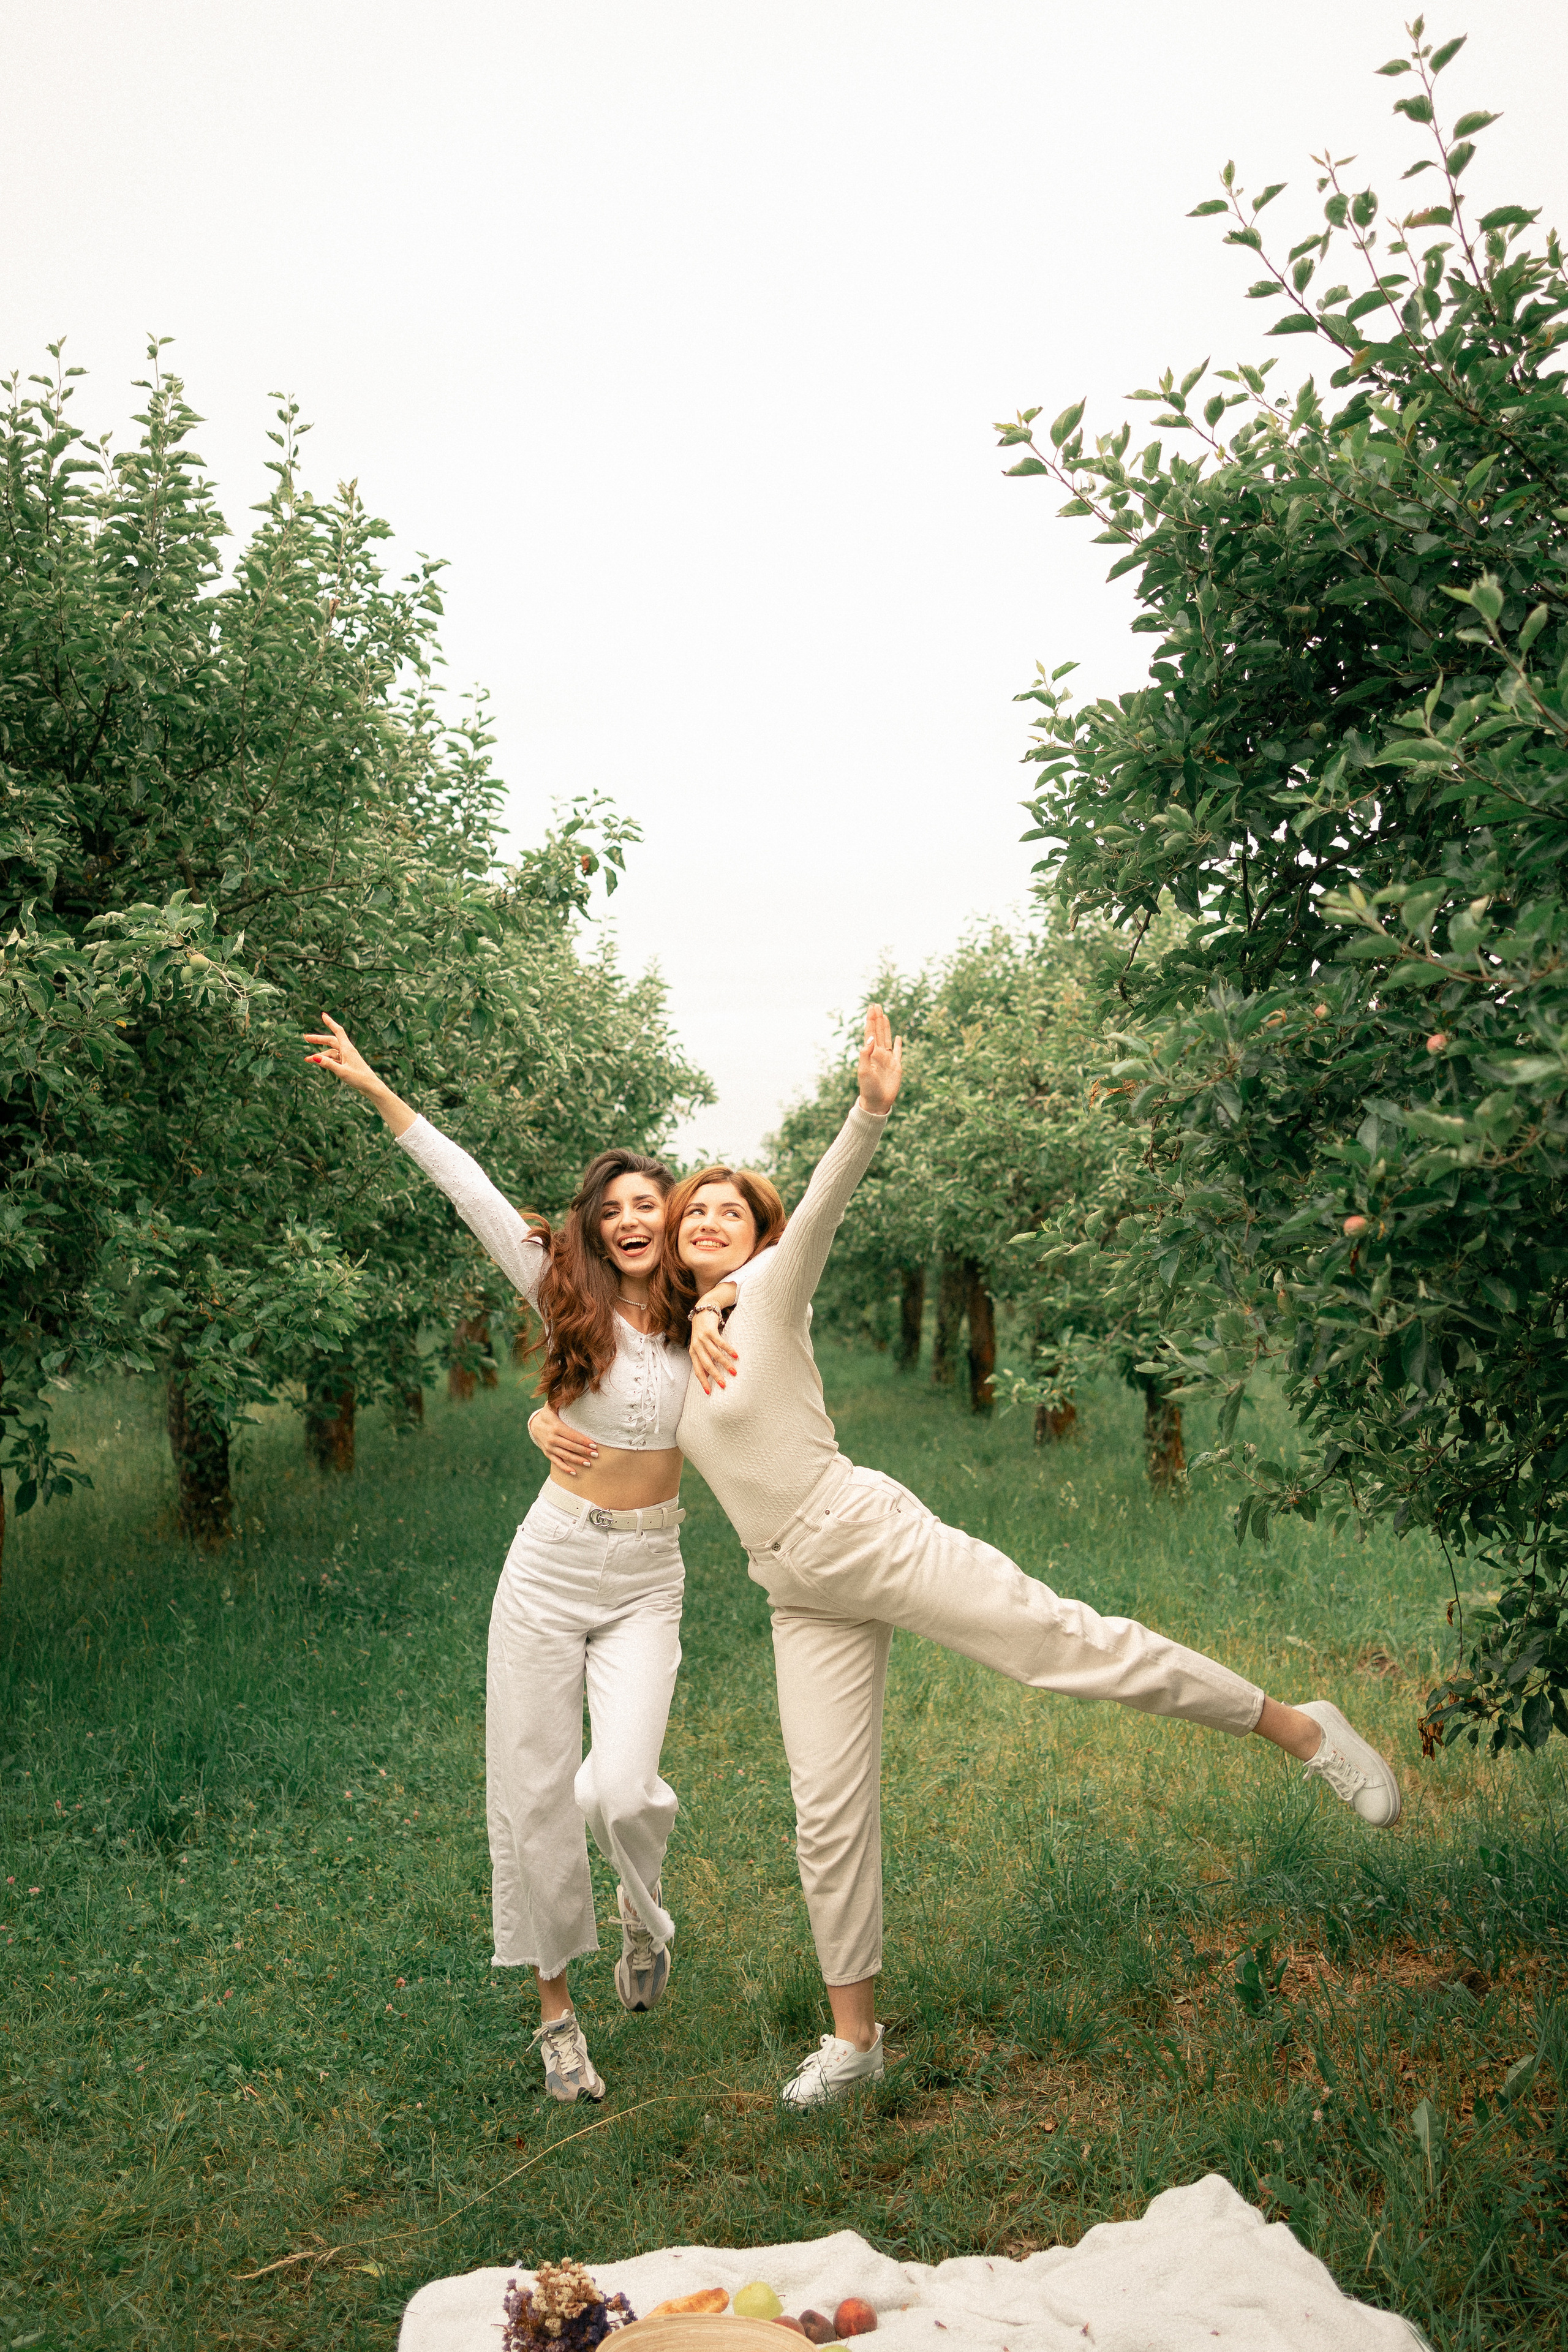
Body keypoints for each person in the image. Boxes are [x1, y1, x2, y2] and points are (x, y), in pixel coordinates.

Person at [531, 1006, 1403, 2109]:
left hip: (868, 1536)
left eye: (726, 1210)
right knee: (828, 1810)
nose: (704, 1218)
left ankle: (1303, 1727)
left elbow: (825, 1205)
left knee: (1062, 1644)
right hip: (796, 1588)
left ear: (760, 1234)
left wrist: (868, 1114)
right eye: (691, 1206)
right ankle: (856, 2042)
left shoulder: (776, 1287)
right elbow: (585, 1374)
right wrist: (544, 1415)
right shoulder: (665, 1335)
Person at [305, 1014, 733, 2105]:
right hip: (549, 1567)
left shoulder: (712, 1311)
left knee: (627, 1789)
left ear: (671, 1221)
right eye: (616, 1208)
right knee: (536, 1789)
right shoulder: (559, 1286)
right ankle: (557, 2018)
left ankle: (643, 1913)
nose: (635, 1221)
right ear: (592, 1223)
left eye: (653, 1206)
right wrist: (376, 1088)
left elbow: (783, 1256)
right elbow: (471, 1188)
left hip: (648, 1577)